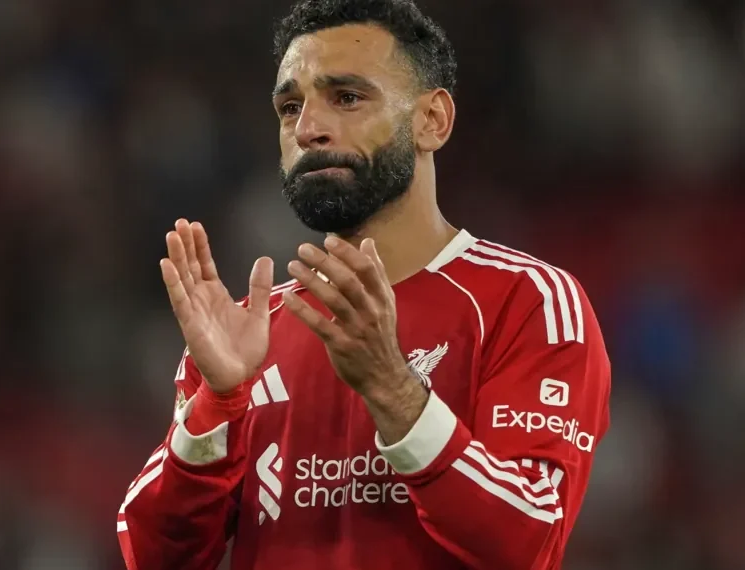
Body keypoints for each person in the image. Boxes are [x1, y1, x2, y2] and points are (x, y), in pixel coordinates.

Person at [117, 0, 611, 568]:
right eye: (289, 107)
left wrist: (393, 388)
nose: (308, 129)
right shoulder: (247, 335)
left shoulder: (528, 303)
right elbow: (154, 557)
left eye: (347, 98)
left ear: (433, 121)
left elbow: (527, 542)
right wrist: (215, 406)